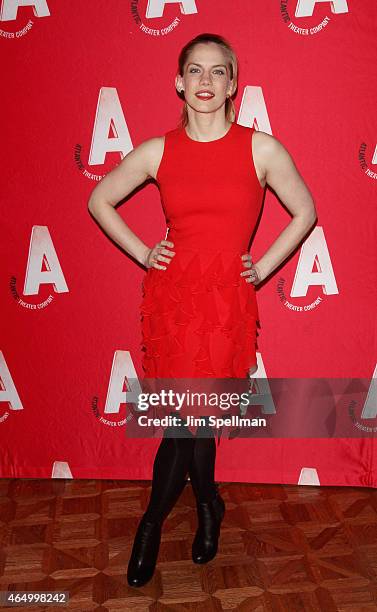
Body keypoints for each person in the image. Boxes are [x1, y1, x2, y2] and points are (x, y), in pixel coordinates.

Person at [88, 32, 317, 588]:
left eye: (218, 72)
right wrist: (145, 252)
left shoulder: (260, 148)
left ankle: (154, 524)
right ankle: (204, 506)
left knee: (193, 420)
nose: (206, 82)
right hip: (171, 303)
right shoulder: (158, 150)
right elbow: (99, 199)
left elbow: (305, 210)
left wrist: (261, 267)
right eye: (195, 71)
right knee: (182, 421)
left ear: (233, 83)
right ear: (178, 81)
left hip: (226, 303)